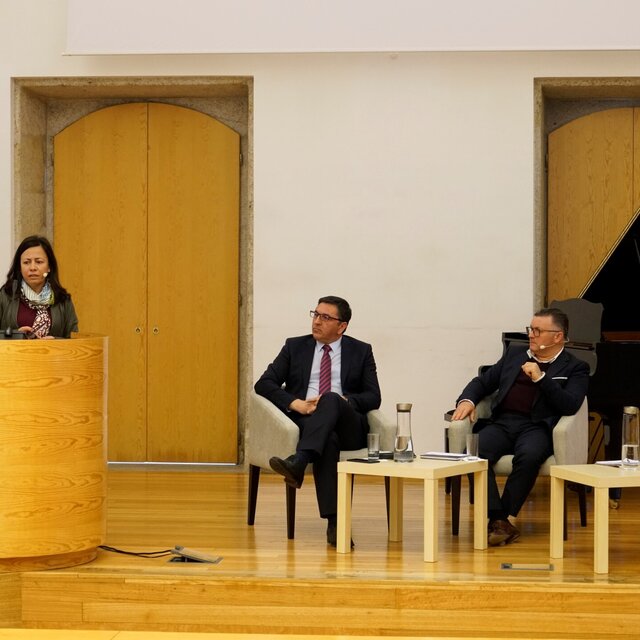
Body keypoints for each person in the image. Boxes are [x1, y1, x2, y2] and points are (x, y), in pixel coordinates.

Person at [451, 307, 589, 546]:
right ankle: (499, 519)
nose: (531, 335)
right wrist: (467, 400)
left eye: (537, 331)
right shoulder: (515, 354)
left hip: (538, 426)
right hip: (503, 422)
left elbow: (570, 405)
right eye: (530, 329)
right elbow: (482, 382)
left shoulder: (575, 367)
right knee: (473, 454)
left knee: (529, 456)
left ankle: (501, 519)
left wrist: (541, 378)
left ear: (558, 336)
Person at [254, 295, 381, 547]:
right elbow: (264, 383)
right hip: (308, 421)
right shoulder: (294, 346)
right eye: (315, 314)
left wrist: (344, 401)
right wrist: (296, 403)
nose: (317, 321)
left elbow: (373, 396)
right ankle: (335, 524)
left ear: (342, 326)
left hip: (348, 425)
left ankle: (300, 460)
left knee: (331, 398)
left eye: (325, 317)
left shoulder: (361, 350)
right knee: (328, 440)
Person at [0, 235, 78, 339]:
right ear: (19, 267)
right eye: (26, 262)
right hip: (13, 350)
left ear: (49, 266)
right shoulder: (6, 295)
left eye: (39, 262)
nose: (32, 268)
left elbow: (74, 340)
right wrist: (15, 336)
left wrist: (56, 342)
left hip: (54, 350)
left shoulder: (63, 300)